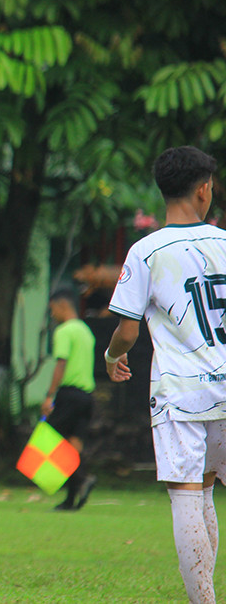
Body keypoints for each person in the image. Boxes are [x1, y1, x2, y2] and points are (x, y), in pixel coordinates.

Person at [104, 146, 226, 604]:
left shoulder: (146, 250)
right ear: (202, 189)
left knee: (187, 495)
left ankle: (204, 600)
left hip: (181, 394)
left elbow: (128, 329)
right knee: (209, 487)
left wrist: (111, 355)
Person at [41, 287, 98, 511]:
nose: (52, 315)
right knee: (73, 446)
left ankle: (82, 479)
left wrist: (49, 396)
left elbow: (61, 363)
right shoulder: (85, 331)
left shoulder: (64, 331)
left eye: (53, 310)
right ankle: (70, 500)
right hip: (86, 396)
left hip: (69, 394)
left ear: (62, 306)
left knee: (50, 441)